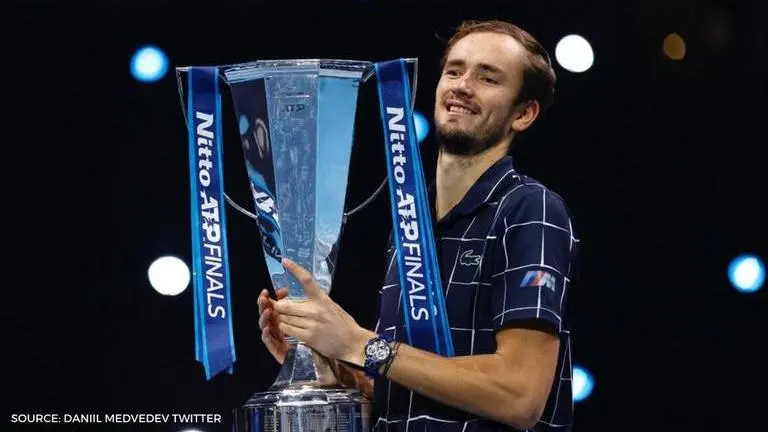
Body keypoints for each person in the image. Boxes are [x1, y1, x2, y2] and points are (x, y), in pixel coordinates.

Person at [257, 20, 579, 432]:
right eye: (454, 70)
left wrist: (359, 344)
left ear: (524, 113)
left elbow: (519, 394)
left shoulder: (530, 209)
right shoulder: (412, 222)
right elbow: (410, 391)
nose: (463, 85)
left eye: (488, 77)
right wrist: (334, 364)